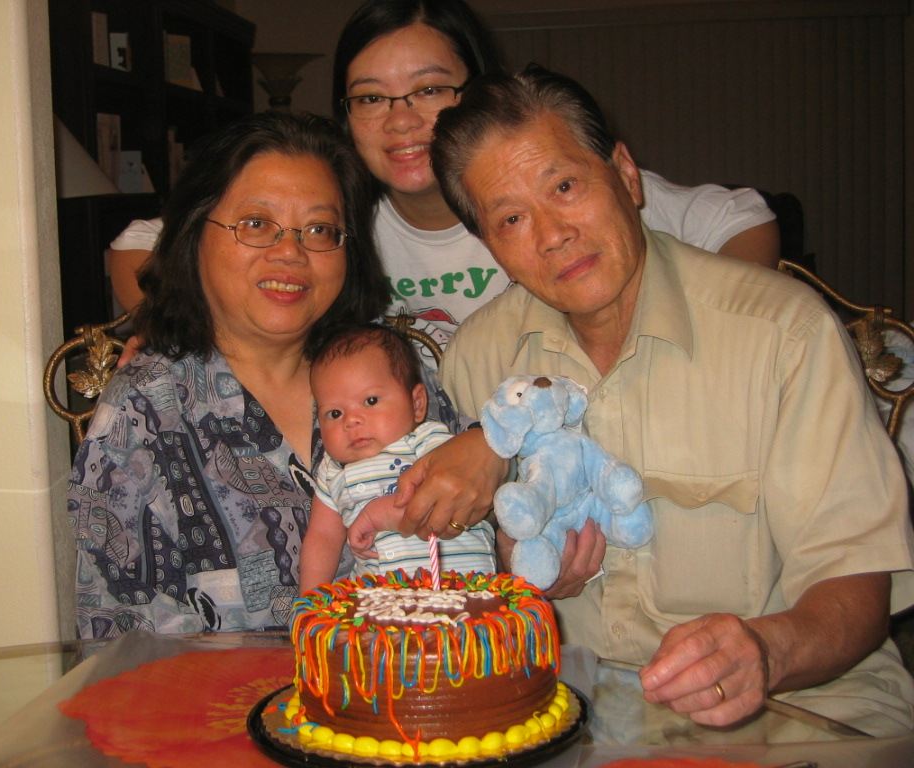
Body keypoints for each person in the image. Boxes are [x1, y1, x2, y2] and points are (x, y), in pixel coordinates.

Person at [430, 65, 914, 736]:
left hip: (800, 713)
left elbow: (856, 588)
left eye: (565, 187)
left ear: (626, 175)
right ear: (491, 246)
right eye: (511, 218)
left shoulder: (783, 334)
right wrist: (511, 573)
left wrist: (764, 651)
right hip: (568, 720)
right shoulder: (478, 358)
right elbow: (451, 586)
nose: (552, 234)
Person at [106, 0, 780, 349]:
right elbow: (138, 245)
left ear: (478, 89)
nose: (401, 120)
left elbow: (742, 220)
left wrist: (712, 336)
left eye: (430, 90)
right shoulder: (331, 220)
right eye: (370, 98)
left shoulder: (557, 196)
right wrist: (190, 340)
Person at [66, 112, 491, 639]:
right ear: (195, 232)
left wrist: (491, 451)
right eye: (255, 224)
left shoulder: (386, 365)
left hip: (428, 677)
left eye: (319, 229)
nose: (290, 252)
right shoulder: (145, 408)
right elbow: (116, 634)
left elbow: (482, 498)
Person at [299, 324, 496, 593]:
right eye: (334, 413)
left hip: (463, 589)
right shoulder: (331, 471)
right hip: (378, 601)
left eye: (370, 401)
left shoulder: (429, 442)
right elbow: (322, 539)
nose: (351, 420)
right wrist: (310, 601)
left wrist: (379, 515)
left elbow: (446, 501)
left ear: (417, 404)